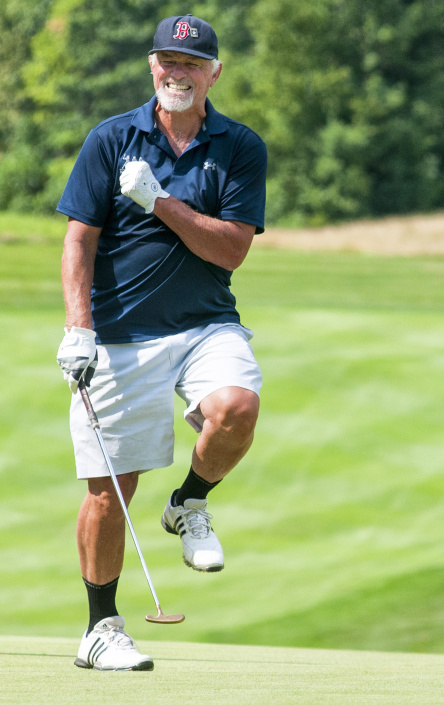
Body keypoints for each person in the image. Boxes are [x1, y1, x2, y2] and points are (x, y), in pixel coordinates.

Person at [55, 15, 267, 671]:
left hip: (206, 321)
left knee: (237, 406)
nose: (179, 73)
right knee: (110, 487)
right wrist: (77, 326)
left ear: (214, 74)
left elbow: (230, 249)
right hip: (120, 331)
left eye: (192, 63)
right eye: (168, 61)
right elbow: (78, 238)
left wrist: (159, 201)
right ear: (152, 66)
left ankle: (190, 502)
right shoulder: (111, 138)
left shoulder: (238, 145)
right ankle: (100, 628)